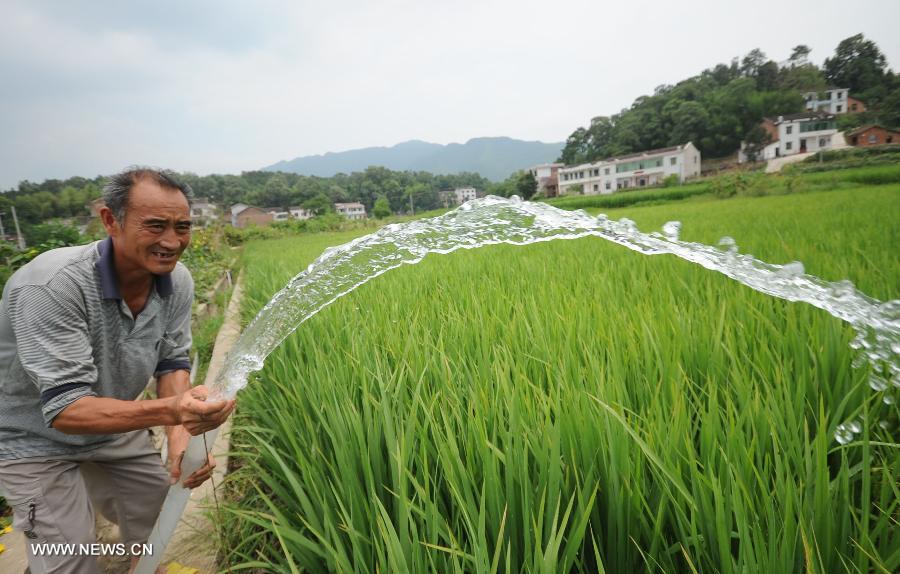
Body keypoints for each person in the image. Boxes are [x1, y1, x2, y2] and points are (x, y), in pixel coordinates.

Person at [0, 167, 235, 574]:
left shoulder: (176, 281)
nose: (172, 241)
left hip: (113, 429)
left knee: (157, 520)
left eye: (182, 227)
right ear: (111, 220)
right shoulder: (52, 285)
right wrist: (174, 411)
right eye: (156, 225)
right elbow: (67, 410)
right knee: (68, 557)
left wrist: (181, 440)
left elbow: (172, 362)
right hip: (32, 439)